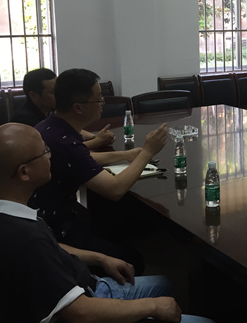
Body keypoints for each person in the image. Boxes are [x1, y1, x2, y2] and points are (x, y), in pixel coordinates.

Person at [0, 123, 213, 323]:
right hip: (83, 304)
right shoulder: (23, 238)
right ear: (24, 172)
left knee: (163, 283)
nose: (51, 156)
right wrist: (153, 306)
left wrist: (100, 258)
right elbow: (80, 313)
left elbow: (51, 246)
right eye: (44, 152)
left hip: (86, 285)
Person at [29, 68, 168, 272]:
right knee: (132, 258)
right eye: (99, 99)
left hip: (51, 217)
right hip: (57, 232)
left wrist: (125, 155)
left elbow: (82, 158)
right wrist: (148, 152)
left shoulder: (50, 126)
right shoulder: (64, 141)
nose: (103, 103)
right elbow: (115, 189)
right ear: (78, 108)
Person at [11, 67, 118, 152]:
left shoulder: (49, 109)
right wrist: (98, 141)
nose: (61, 94)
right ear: (34, 96)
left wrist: (94, 137)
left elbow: (69, 129)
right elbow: (59, 150)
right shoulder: (25, 120)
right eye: (53, 92)